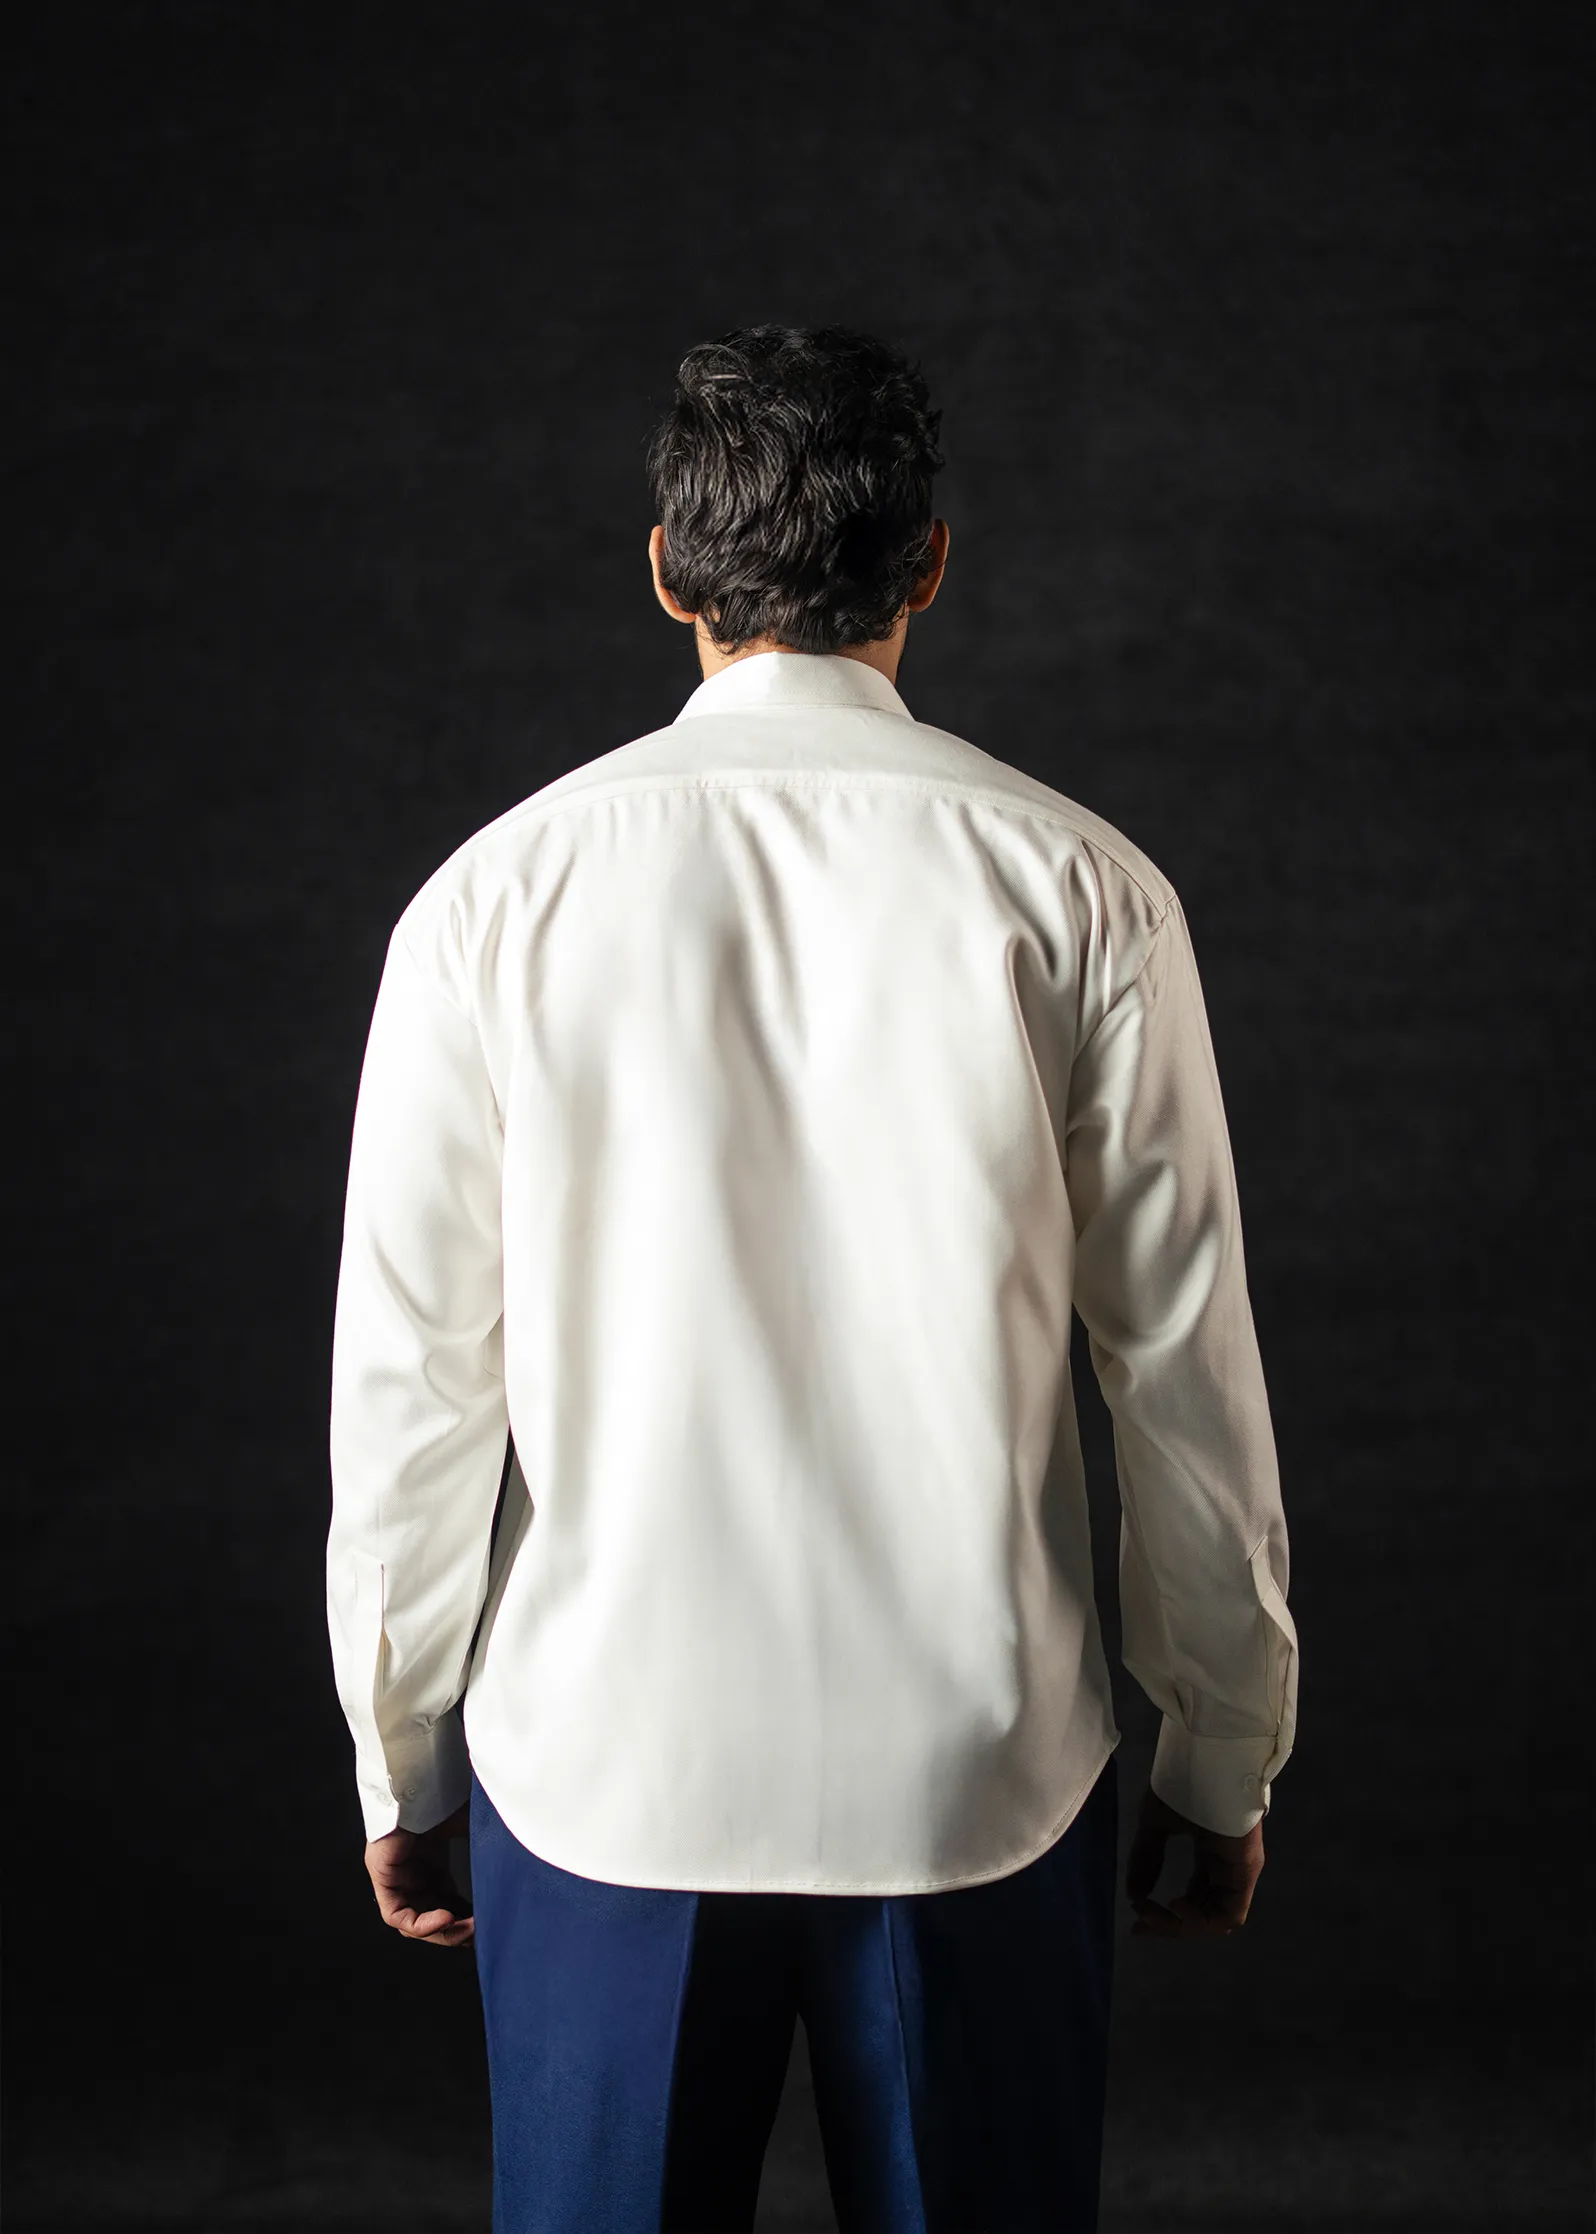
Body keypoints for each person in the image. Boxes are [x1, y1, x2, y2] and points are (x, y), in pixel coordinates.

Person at [326, 323, 1299, 2234]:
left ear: (667, 569)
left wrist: (400, 1744)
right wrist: (1225, 1746)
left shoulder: (488, 904)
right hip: (981, 1776)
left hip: (604, 1771)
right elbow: (1184, 1373)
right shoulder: (1086, 891)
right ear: (929, 563)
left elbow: (415, 1382)